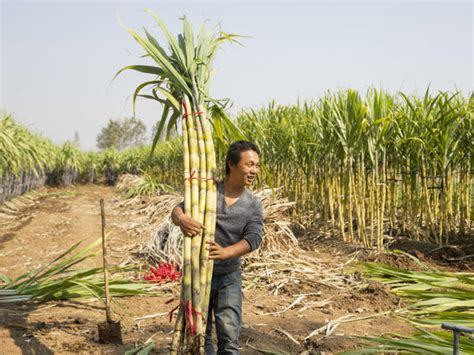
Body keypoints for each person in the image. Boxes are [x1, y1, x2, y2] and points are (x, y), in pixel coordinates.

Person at [171, 140, 264, 354]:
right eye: (250, 165)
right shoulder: (208, 193)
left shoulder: (253, 204)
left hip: (229, 277)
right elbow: (177, 210)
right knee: (201, 334)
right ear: (232, 164)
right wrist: (181, 218)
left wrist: (226, 253)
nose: (255, 170)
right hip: (198, 274)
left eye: (257, 166)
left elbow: (254, 238)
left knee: (229, 335)